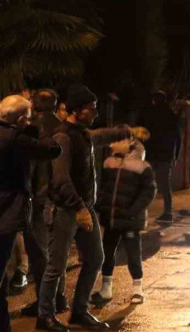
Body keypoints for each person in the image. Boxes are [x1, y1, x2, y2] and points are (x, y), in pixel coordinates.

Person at [37, 85, 147, 332]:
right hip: (65, 210)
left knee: (96, 257)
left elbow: (101, 135)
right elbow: (61, 180)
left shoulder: (83, 133)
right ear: (78, 110)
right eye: (91, 109)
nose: (95, 113)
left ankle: (79, 311)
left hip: (83, 209)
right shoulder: (63, 137)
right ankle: (44, 316)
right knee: (56, 266)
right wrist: (79, 208)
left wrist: (127, 131)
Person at [0, 94, 62, 332]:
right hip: (6, 216)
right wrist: (36, 126)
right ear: (20, 120)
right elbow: (52, 149)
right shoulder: (16, 138)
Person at [21, 89, 68, 317]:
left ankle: (46, 302)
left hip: (38, 197)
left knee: (39, 252)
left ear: (36, 103)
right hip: (58, 196)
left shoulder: (31, 128)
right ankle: (59, 298)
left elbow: (28, 164)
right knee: (56, 249)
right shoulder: (63, 126)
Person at [92, 138, 156, 306]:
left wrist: (132, 212)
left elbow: (148, 192)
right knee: (107, 252)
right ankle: (106, 288)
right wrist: (101, 205)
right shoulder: (109, 162)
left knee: (133, 253)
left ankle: (137, 289)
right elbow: (103, 186)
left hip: (130, 219)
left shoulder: (142, 167)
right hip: (111, 217)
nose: (114, 143)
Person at [137, 91, 179, 224]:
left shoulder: (149, 114)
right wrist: (175, 156)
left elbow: (141, 134)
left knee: (145, 183)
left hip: (151, 154)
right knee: (165, 185)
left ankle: (140, 212)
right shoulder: (171, 115)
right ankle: (167, 213)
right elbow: (178, 138)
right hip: (166, 156)